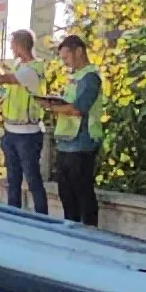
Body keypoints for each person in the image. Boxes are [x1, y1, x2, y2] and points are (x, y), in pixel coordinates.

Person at [44, 34, 104, 225]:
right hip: (66, 142)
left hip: (83, 143)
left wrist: (52, 107)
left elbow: (78, 109)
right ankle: (70, 229)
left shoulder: (90, 78)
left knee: (82, 193)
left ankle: (88, 233)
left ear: (78, 51)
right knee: (66, 195)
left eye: (67, 57)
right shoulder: (75, 78)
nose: (65, 63)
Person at [0, 29, 51, 212]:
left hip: (27, 134)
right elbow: (10, 91)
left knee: (33, 180)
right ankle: (14, 217)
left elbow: (0, 78)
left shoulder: (31, 71)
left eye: (12, 44)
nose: (10, 48)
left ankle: (42, 219)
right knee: (13, 181)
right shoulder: (20, 66)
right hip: (12, 131)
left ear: (18, 45)